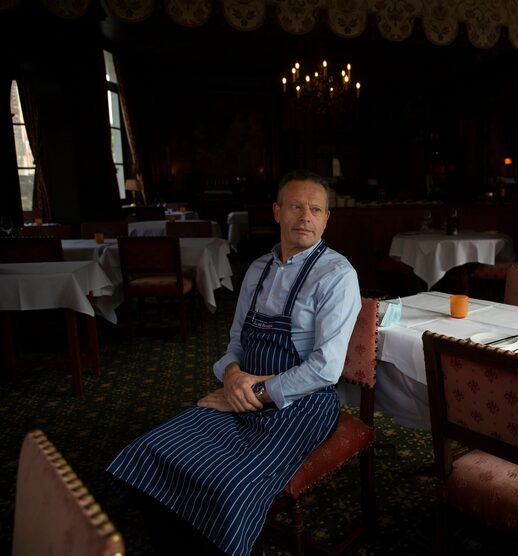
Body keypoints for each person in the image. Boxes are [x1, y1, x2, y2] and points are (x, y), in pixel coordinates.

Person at [107, 170, 361, 555]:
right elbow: (236, 341)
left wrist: (254, 392)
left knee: (231, 489)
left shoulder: (337, 275)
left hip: (301, 405)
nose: (305, 216)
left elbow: (325, 369)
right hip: (240, 390)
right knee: (153, 450)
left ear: (326, 218)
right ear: (278, 212)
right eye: (296, 206)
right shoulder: (257, 269)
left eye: (315, 209)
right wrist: (230, 376)